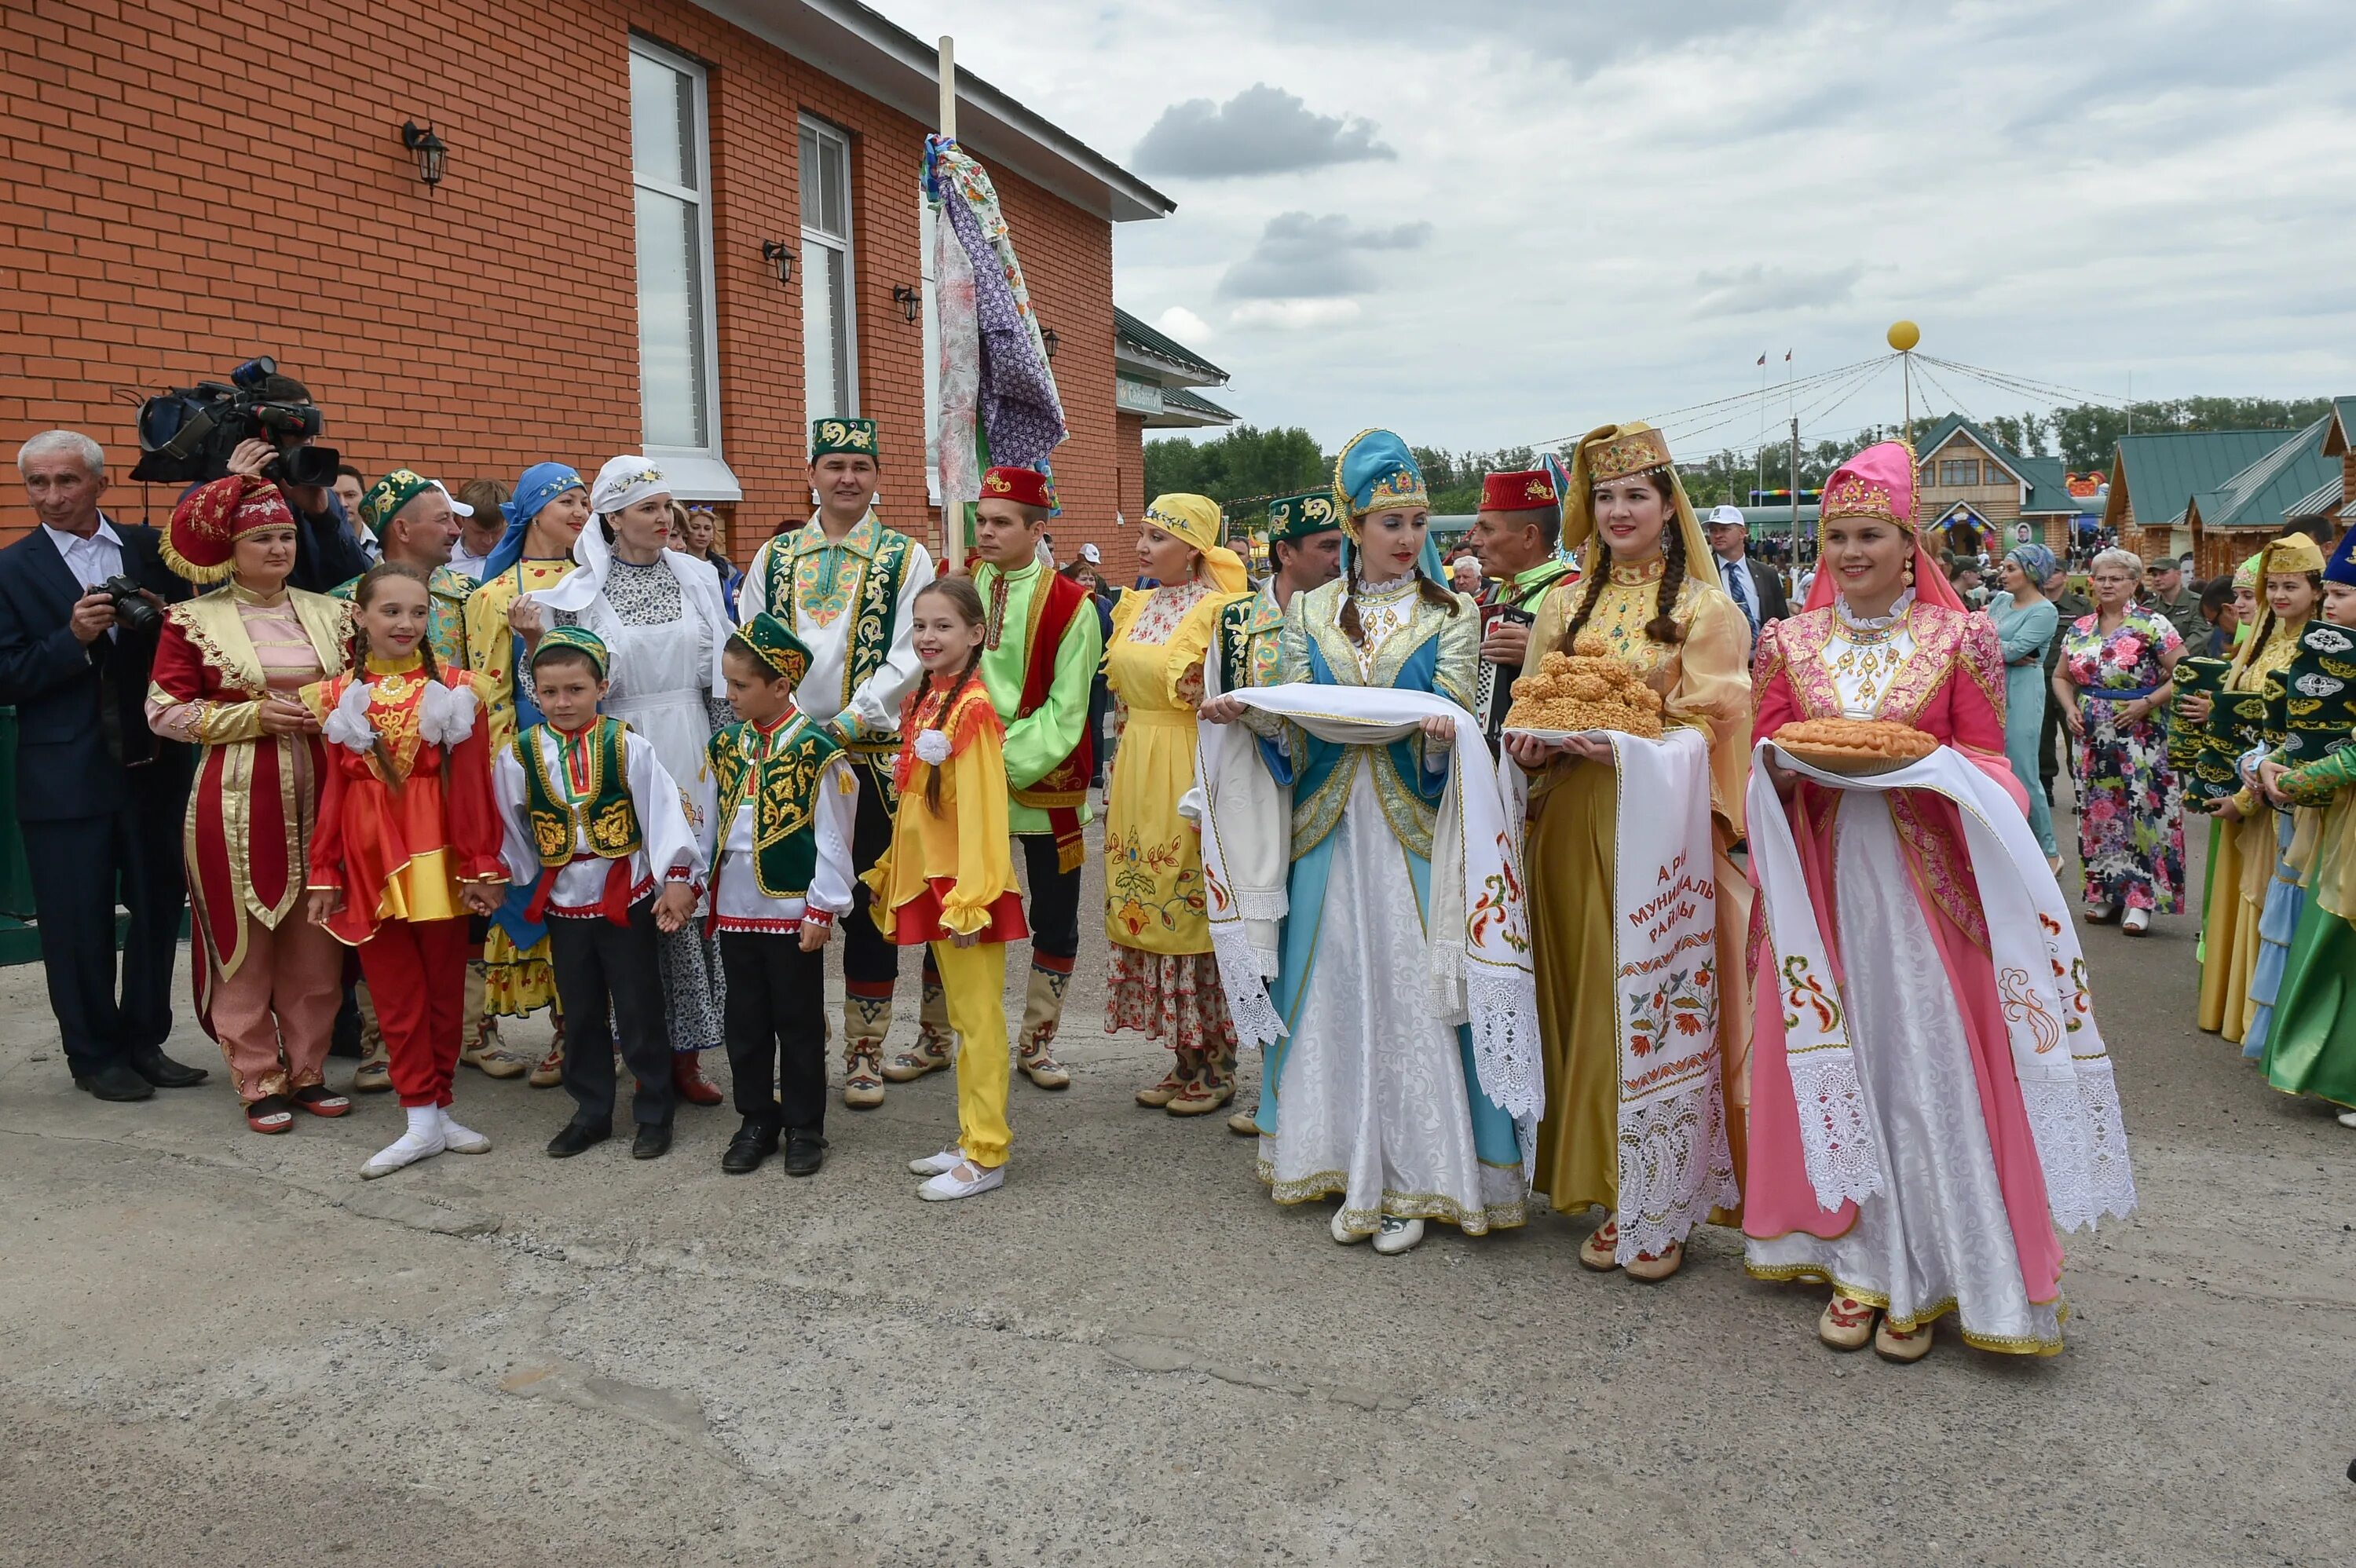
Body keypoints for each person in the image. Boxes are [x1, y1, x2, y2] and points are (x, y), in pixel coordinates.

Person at [1745, 441, 2137, 1361]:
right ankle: (1858, 1266)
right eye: (1835, 535)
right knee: (1847, 1055)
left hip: (1932, 892)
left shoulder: (1961, 639)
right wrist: (1791, 769)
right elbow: (1765, 754)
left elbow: (1998, 764)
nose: (1850, 552)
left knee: (1931, 1068)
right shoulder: (1787, 643)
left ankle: (1940, 1270)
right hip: (1830, 884)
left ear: (1906, 540)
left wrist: (1936, 771)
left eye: (1869, 534)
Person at [1198, 429, 1529, 1255]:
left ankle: (1422, 1172)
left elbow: (1457, 715)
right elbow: (1289, 718)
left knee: (1417, 983)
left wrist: (1433, 738)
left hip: (1410, 828)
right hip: (1327, 826)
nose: (1410, 537)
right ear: (1355, 526)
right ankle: (1334, 1153)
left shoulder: (1453, 612)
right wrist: (1250, 713)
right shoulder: (1306, 610)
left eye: (1419, 520)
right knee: (1330, 980)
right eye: (1392, 521)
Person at [1503, 422, 1750, 1280]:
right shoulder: (1561, 603)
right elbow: (1531, 702)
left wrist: (1632, 743)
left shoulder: (1706, 610)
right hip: (1569, 819)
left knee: (1642, 1001)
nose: (1618, 510)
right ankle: (1595, 1177)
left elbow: (1720, 722)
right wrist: (1527, 746)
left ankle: (1659, 1194)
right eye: (1604, 496)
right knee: (1574, 993)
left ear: (1666, 505)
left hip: (1655, 829)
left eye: (1636, 495)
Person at [737, 419, 936, 1106]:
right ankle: (804, 1035)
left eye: (860, 464)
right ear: (813, 473)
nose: (847, 477)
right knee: (795, 897)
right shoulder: (776, 553)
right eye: (834, 464)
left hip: (870, 758)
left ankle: (865, 1049)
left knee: (871, 907)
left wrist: (857, 713)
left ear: (878, 475)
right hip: (790, 754)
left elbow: (913, 648)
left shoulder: (906, 557)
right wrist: (780, 719)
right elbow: (753, 641)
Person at [0, 430, 203, 1102]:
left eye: (66, 481)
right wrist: (74, 639)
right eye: (39, 484)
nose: (52, 497)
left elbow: (197, 641)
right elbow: (7, 675)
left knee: (154, 911)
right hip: (65, 776)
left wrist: (168, 619)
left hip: (155, 764)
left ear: (98, 483)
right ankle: (93, 1054)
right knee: (76, 920)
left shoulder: (152, 550)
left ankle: (147, 1041)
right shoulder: (11, 569)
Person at [147, 475, 353, 1133]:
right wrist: (253, 717)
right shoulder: (191, 620)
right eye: (262, 537)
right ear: (230, 548)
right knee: (243, 935)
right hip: (234, 797)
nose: (279, 547)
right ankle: (257, 1072)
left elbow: (364, 692)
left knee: (316, 935)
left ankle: (309, 1068)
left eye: (288, 535)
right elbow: (163, 711)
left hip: (326, 792)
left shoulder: (332, 612)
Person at [528, 456, 734, 1107]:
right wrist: (535, 638)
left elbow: (721, 677)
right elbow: (559, 691)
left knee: (687, 892)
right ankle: (630, 1045)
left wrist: (731, 758)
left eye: (666, 505)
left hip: (691, 741)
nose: (663, 518)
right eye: (647, 507)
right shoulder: (575, 597)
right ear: (613, 518)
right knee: (623, 895)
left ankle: (688, 1056)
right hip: (617, 751)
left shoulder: (698, 577)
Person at [303, 563, 507, 1178]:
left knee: (446, 988)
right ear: (360, 617)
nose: (406, 623)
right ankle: (418, 1112)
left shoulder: (459, 688)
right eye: (391, 611)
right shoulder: (335, 697)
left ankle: (438, 1108)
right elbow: (335, 791)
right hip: (372, 857)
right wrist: (324, 869)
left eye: (418, 612)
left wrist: (479, 863)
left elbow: (472, 786)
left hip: (440, 852)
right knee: (393, 991)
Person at [492, 628, 703, 1160]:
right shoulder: (518, 754)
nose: (563, 702)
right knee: (579, 1009)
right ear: (534, 693)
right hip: (565, 900)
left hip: (624, 894)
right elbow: (507, 824)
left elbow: (663, 812)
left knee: (638, 1005)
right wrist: (501, 875)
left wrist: (676, 876)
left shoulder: (627, 744)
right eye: (550, 692)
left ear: (601, 686)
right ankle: (591, 1111)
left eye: (575, 689)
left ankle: (654, 1110)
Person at [864, 578, 1030, 1201]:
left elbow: (987, 812)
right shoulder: (927, 700)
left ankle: (987, 1152)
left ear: (976, 634)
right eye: (921, 625)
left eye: (943, 626)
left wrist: (973, 898)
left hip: (965, 888)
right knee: (962, 1016)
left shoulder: (973, 710)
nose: (929, 637)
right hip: (935, 879)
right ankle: (969, 1136)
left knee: (980, 1019)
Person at [1101, 494, 1249, 1117]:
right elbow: (1125, 704)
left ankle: (1218, 1060)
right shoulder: (1137, 605)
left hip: (1189, 765)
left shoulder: (1219, 612)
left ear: (1194, 548)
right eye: (1142, 532)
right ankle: (1184, 1054)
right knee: (1146, 898)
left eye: (1158, 536)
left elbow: (1230, 702)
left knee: (1191, 902)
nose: (1143, 545)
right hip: (1138, 767)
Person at [1209, 488, 1344, 1137]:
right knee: (1266, 950)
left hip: (1331, 796)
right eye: (1325, 547)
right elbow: (1212, 711)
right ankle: (1274, 1091)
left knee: (1327, 949)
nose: (1337, 558)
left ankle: (1323, 1091)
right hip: (1257, 802)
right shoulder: (1235, 622)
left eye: (1341, 544)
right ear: (1284, 553)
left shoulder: (1349, 614)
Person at [964, 465, 1103, 1090]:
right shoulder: (962, 586)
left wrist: (992, 759)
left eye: (1000, 522)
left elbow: (1069, 711)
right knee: (960, 910)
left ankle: (1039, 1041)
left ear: (1036, 529)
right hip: (967, 783)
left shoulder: (1076, 606)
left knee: (1055, 915)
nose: (986, 533)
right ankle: (947, 1034)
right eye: (982, 520)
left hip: (1045, 785)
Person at [704, 613, 856, 1178]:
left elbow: (836, 836)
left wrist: (822, 905)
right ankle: (756, 1119)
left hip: (791, 909)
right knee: (743, 1020)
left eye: (741, 685)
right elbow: (713, 824)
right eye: (727, 682)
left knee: (797, 1020)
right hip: (736, 908)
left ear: (780, 685)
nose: (730, 694)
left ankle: (805, 1125)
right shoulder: (725, 746)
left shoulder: (818, 751)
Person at [463, 463, 587, 1084]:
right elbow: (490, 687)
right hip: (530, 764)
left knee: (590, 888)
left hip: (596, 759)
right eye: (567, 499)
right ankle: (565, 1031)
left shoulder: (595, 581)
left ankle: (590, 1030)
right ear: (534, 508)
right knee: (541, 892)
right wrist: (506, 769)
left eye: (586, 501)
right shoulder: (492, 595)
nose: (580, 511)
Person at [2184, 545, 2317, 1044]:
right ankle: (2237, 1009)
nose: (2274, 597)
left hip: (2282, 791)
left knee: (2274, 902)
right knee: (2244, 897)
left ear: (2318, 591)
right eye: (2270, 589)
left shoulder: (2315, 649)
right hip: (2249, 783)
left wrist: (2252, 786)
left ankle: (2272, 1022)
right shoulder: (2261, 641)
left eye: (2290, 586)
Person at [2256, 527, 2356, 1123]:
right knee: (2336, 945)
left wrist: (2296, 781)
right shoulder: (2331, 661)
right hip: (2340, 823)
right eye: (2332, 594)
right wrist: (2271, 763)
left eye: (2342, 594)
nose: (2331, 605)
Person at [2055, 548, 2185, 933]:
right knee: (2098, 812)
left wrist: (2148, 702)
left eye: (2117, 578)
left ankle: (2141, 899)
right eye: (2101, 578)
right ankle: (2103, 893)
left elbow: (2187, 673)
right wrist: (2068, 707)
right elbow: (2062, 676)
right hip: (2091, 735)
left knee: (2141, 809)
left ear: (2134, 583)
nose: (2107, 584)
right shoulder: (2079, 628)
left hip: (2140, 732)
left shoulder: (2153, 625)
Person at [1985, 543, 2062, 866]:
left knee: (2023, 770)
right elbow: (1975, 638)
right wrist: (1999, 650)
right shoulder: (2000, 602)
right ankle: (2009, 842)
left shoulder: (2045, 611)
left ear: (2032, 573)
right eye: (2003, 568)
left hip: (2023, 693)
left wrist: (1994, 649)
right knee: (1992, 765)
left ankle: (2049, 851)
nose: (2003, 575)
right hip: (1991, 690)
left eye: (2011, 569)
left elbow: (2011, 651)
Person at [2037, 563, 2094, 807]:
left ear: (2065, 577)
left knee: (2076, 737)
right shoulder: (2034, 604)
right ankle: (2045, 788)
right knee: (2042, 738)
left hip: (2071, 683)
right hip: (2039, 680)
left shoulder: (2080, 607)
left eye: (2055, 572)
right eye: (2046, 572)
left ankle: (2082, 791)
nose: (2050, 577)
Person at [1704, 501, 1790, 636]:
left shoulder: (1767, 574)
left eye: (1724, 529)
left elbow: (1782, 622)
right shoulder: (1702, 573)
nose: (1717, 535)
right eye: (1713, 530)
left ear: (1742, 533)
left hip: (1762, 654)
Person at [448, 478, 510, 581]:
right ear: (462, 519)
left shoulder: (522, 555)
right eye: (479, 532)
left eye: (496, 532)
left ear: (507, 521)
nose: (488, 541)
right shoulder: (440, 557)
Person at [2142, 554, 2206, 649]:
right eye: (2155, 575)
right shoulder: (2148, 607)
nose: (2157, 579)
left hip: (2190, 660)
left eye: (2163, 573)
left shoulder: (2197, 603)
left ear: (2178, 574)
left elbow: (2199, 638)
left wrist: (2173, 657)